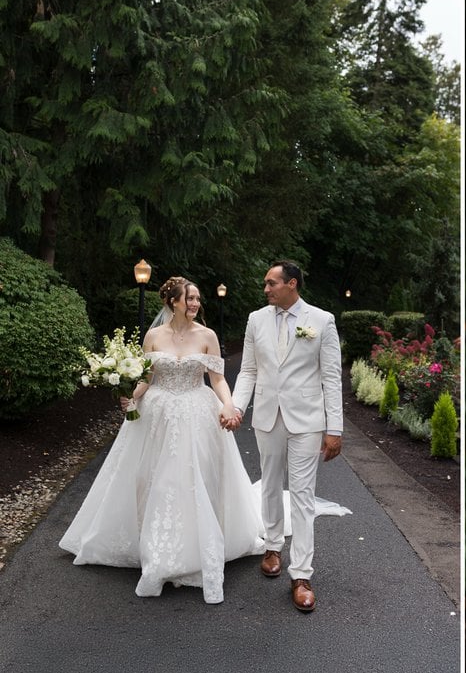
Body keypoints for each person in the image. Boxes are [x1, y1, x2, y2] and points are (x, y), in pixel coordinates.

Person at [60, 277, 265, 604]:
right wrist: (132, 397)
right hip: (157, 412)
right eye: (190, 298)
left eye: (198, 299)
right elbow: (146, 376)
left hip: (198, 409)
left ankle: (198, 543)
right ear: (172, 302)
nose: (196, 304)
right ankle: (153, 543)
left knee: (198, 477)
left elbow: (218, 379)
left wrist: (227, 404)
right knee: (151, 477)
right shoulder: (153, 336)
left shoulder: (207, 336)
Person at [226, 260, 343, 613]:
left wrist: (334, 428)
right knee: (271, 484)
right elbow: (248, 370)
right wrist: (235, 407)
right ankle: (273, 546)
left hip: (307, 420)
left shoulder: (322, 321)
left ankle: (302, 575)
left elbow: (331, 377)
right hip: (266, 416)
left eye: (271, 283)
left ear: (292, 284)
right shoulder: (255, 320)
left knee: (304, 496)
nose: (265, 289)